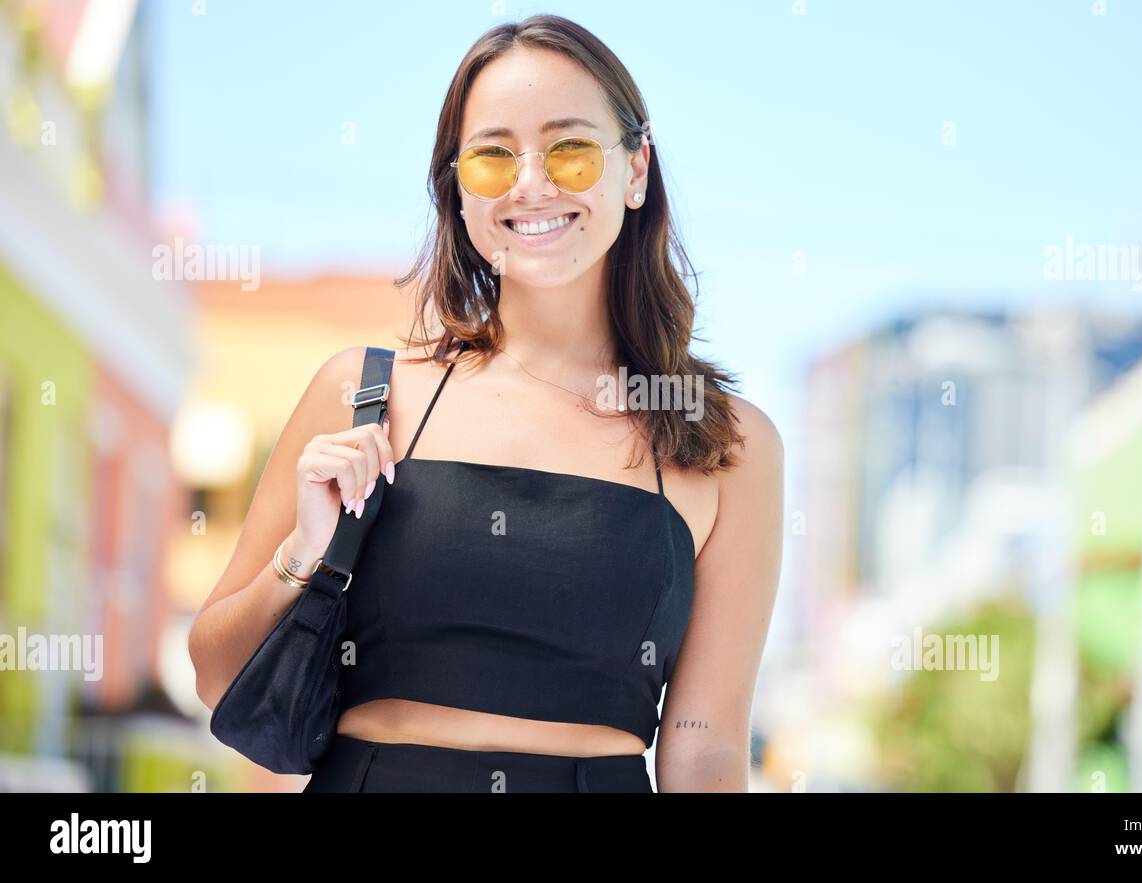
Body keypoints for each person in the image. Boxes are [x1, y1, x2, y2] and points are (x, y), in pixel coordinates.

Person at [188, 13, 783, 793]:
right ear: (459, 191)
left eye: (571, 150)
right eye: (493, 157)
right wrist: (305, 553)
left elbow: (706, 749)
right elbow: (215, 677)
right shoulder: (364, 395)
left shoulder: (729, 446)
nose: (530, 183)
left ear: (636, 170)